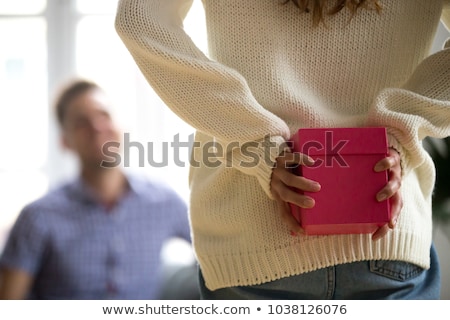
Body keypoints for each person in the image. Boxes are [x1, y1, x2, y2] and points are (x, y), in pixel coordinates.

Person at [115, 0, 450, 299]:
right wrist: (400, 131)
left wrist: (259, 145)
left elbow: (138, 18)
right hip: (387, 233)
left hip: (250, 238)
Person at [0, 79, 194, 299]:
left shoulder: (164, 202)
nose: (97, 127)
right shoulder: (37, 217)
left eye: (104, 115)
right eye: (82, 122)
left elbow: (217, 245)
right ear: (65, 141)